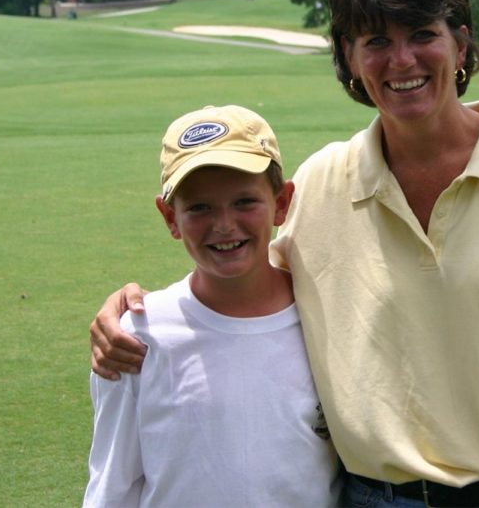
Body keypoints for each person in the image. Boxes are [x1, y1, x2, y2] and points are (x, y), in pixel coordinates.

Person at [90, 0, 479, 507]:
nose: (402, 59)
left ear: (460, 45)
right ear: (349, 60)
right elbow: (246, 282)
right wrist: (133, 314)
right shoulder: (320, 185)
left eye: (422, 33)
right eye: (376, 41)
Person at [84, 105, 342, 507]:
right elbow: (112, 483)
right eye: (199, 207)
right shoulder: (135, 338)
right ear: (170, 217)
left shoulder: (329, 318)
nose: (224, 224)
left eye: (244, 202)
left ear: (281, 202)